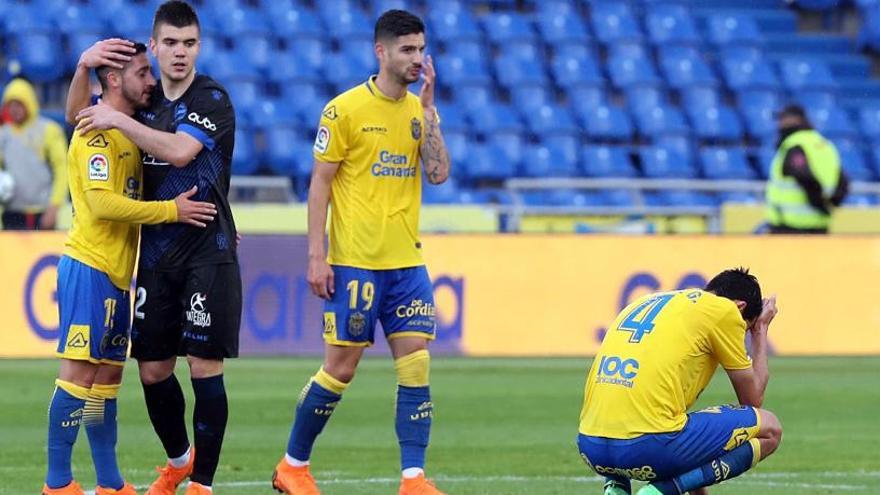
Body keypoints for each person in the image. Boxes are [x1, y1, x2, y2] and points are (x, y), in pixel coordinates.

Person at [271, 9, 451, 495]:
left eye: (421, 49)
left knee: (416, 364)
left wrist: (430, 113)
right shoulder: (343, 110)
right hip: (355, 263)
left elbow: (437, 174)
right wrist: (316, 254)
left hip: (407, 264)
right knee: (341, 368)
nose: (417, 59)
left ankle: (413, 478)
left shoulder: (418, 112)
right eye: (407, 50)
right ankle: (293, 465)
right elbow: (319, 186)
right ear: (381, 51)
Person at [67, 2, 240, 494]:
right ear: (156, 44)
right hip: (158, 255)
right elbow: (79, 116)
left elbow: (181, 151)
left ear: (198, 47)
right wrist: (85, 67)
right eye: (171, 43)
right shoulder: (145, 102)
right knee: (152, 370)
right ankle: (180, 459)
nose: (180, 53)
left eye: (189, 43)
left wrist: (117, 121)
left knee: (204, 365)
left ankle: (202, 484)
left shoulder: (211, 99)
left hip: (208, 248)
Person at [578, 268, 783, 495]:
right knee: (770, 428)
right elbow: (752, 398)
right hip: (647, 447)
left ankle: (615, 488)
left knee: (674, 428)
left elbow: (694, 452)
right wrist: (760, 329)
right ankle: (662, 491)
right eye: (745, 328)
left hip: (591, 447)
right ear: (740, 307)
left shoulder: (647, 302)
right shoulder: (725, 311)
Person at [766, 104, 849, 234]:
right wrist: (830, 205)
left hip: (791, 228)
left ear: (796, 120)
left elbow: (803, 176)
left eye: (782, 119)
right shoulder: (825, 144)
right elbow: (843, 182)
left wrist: (819, 204)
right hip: (820, 227)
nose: (779, 124)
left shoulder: (795, 144)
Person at [0, 77, 67, 230]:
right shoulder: (3, 135)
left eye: (19, 104)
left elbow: (62, 169)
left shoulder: (49, 130)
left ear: (29, 102)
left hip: (43, 212)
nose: (14, 109)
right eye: (11, 104)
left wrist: (55, 206)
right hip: (12, 212)